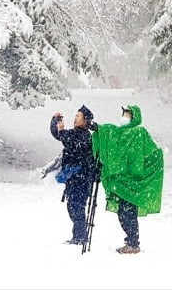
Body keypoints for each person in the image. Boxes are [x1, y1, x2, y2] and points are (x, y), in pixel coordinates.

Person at [91, 104, 164, 254]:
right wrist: (97, 128)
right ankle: (131, 241)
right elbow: (110, 132)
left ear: (134, 117)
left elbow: (154, 153)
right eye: (123, 114)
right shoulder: (120, 133)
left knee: (128, 213)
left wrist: (144, 170)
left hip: (133, 183)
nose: (124, 117)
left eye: (127, 114)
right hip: (123, 182)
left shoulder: (139, 133)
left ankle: (133, 243)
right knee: (122, 213)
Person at [50, 105, 96, 245]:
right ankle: (79, 235)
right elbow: (59, 135)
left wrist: (62, 132)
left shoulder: (85, 135)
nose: (75, 119)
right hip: (73, 178)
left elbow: (73, 144)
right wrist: (55, 121)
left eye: (78, 117)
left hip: (81, 177)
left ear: (85, 120)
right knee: (73, 206)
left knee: (77, 207)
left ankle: (80, 236)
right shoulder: (74, 133)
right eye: (75, 116)